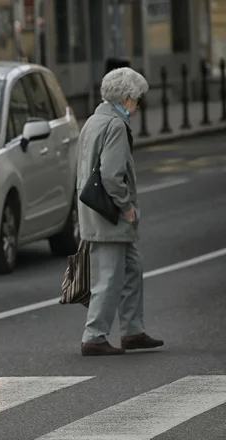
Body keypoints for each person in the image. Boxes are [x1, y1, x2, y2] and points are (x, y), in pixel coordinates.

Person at [76, 67, 164, 356]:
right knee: (109, 277)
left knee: (131, 269)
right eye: (137, 100)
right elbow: (112, 175)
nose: (138, 106)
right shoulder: (114, 126)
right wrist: (126, 206)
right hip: (109, 215)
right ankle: (94, 336)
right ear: (126, 98)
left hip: (95, 210)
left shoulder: (93, 120)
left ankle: (133, 331)